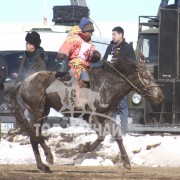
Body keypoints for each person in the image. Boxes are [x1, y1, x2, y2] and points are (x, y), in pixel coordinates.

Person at [57, 17, 101, 108]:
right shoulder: (75, 39)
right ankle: (79, 99)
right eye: (89, 31)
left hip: (86, 65)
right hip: (75, 64)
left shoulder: (89, 43)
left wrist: (95, 55)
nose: (90, 33)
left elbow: (91, 54)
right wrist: (63, 53)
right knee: (84, 76)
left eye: (91, 31)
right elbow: (67, 46)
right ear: (83, 30)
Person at [103, 26, 136, 135]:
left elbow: (133, 64)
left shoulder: (127, 48)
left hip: (121, 81)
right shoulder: (110, 47)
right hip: (110, 82)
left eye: (114, 34)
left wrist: (121, 65)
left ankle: (124, 130)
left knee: (122, 106)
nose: (113, 36)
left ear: (120, 35)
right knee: (111, 106)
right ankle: (111, 130)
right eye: (112, 34)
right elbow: (104, 61)